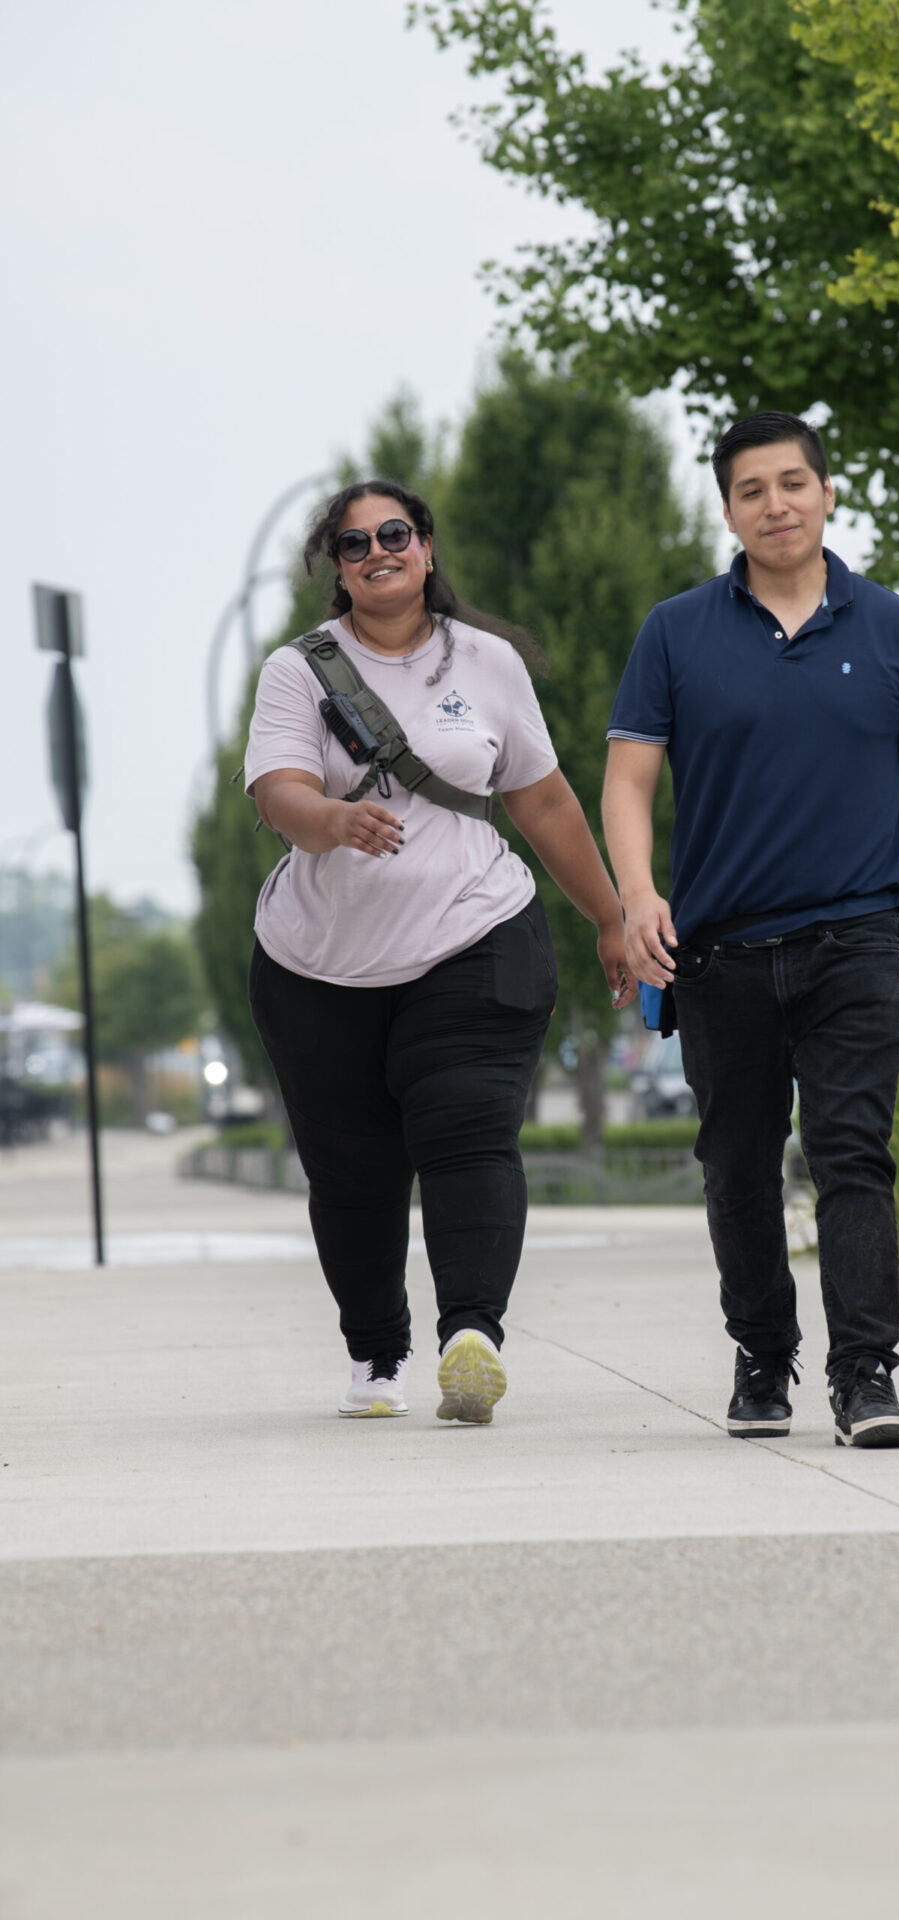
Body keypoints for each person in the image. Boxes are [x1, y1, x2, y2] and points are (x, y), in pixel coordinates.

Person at [602, 411, 899, 1449]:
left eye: (790, 484)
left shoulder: (893, 628)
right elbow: (628, 779)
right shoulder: (675, 632)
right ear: (726, 508)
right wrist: (637, 896)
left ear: (827, 494)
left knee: (849, 1155)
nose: (773, 505)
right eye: (749, 490)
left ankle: (864, 1374)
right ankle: (761, 1358)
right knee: (735, 1163)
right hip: (718, 951)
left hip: (854, 940)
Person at [245, 479, 634, 1423]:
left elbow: (542, 801)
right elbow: (276, 790)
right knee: (352, 1171)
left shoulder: (489, 665)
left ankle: (473, 1334)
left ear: (425, 546)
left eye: (395, 533)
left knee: (467, 1129)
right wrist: (330, 819)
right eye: (353, 543)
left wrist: (610, 918)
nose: (378, 551)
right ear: (334, 568)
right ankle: (377, 1355)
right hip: (318, 966)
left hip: (475, 932)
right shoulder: (298, 671)